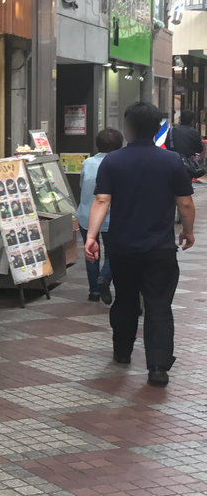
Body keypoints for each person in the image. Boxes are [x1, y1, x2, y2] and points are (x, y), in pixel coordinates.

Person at [85, 100, 195, 388]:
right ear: (158, 127)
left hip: (123, 248)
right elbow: (184, 202)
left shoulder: (114, 160)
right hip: (160, 249)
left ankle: (122, 352)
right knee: (159, 305)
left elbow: (101, 200)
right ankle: (158, 367)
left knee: (125, 299)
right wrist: (188, 231)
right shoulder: (171, 160)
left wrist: (91, 236)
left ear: (129, 127)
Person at [75, 127, 123, 304]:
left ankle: (94, 291)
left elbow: (82, 185)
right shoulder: (119, 164)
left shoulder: (87, 163)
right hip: (111, 218)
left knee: (91, 252)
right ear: (119, 146)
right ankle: (104, 277)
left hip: (86, 215)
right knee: (114, 252)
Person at [168, 109, 205, 184]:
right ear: (192, 120)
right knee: (186, 185)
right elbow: (199, 149)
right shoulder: (194, 132)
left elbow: (167, 144)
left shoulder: (172, 130)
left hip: (173, 161)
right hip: (188, 165)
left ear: (180, 119)